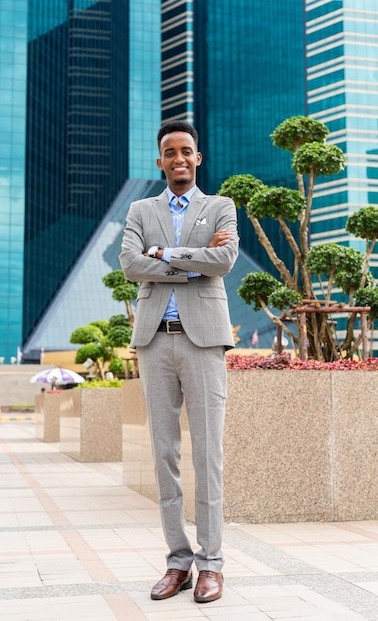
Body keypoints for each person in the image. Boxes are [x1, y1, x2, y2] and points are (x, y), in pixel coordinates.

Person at [119, 120, 239, 603]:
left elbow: (226, 259)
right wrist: (193, 261)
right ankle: (178, 562)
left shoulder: (220, 206)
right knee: (164, 454)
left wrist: (165, 253)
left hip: (204, 341)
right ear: (160, 161)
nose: (179, 159)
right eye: (170, 152)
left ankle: (212, 564)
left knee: (208, 453)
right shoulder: (140, 209)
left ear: (198, 157)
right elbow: (130, 265)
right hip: (154, 341)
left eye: (186, 151)